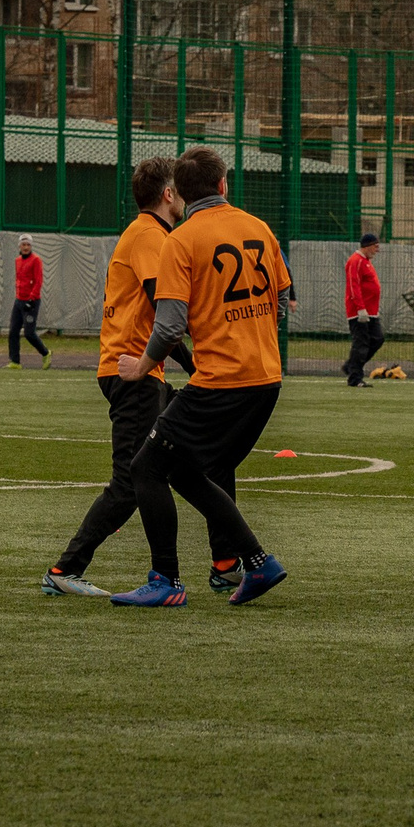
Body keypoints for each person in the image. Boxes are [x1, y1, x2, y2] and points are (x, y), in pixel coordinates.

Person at [110, 147, 291, 608]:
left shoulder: (181, 241)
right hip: (266, 378)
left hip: (221, 380)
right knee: (189, 472)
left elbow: (169, 325)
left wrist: (142, 363)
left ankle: (166, 581)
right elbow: (284, 298)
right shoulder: (259, 229)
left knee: (145, 467)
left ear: (181, 195)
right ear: (224, 185)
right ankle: (254, 562)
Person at [43, 156, 190, 597]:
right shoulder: (149, 235)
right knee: (131, 482)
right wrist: (198, 364)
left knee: (180, 466)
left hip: (144, 372)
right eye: (180, 190)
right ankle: (64, 570)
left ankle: (228, 560)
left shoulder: (150, 234)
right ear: (168, 195)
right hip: (133, 374)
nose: (184, 198)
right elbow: (164, 310)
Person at [342, 232, 385, 387]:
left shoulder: (365, 261)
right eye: (375, 246)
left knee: (377, 339)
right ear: (367, 246)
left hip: (371, 312)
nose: (377, 250)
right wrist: (360, 309)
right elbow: (354, 285)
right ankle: (354, 378)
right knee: (361, 343)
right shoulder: (356, 261)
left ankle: (351, 366)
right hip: (359, 312)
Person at [8, 234, 50, 368]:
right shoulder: (18, 260)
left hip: (31, 302)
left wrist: (31, 298)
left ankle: (45, 353)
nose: (26, 247)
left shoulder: (36, 260)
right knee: (13, 331)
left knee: (29, 333)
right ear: (19, 246)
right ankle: (15, 361)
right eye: (23, 245)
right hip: (19, 300)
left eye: (28, 245)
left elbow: (38, 281)